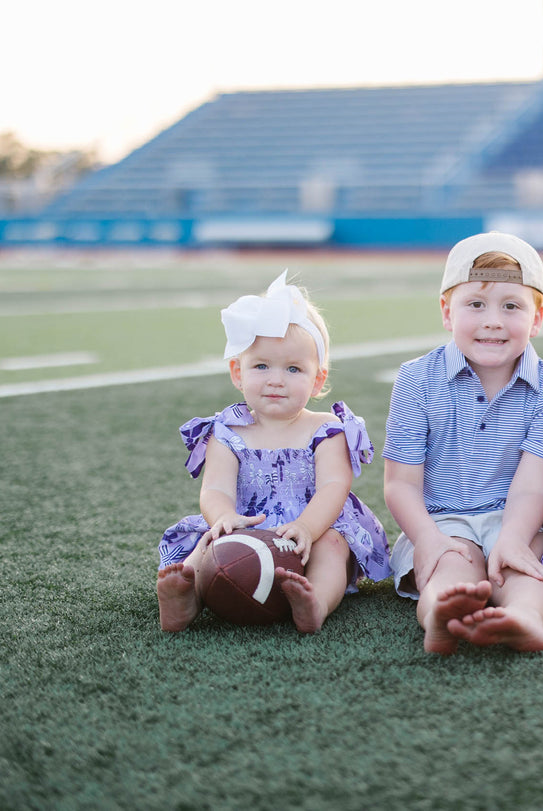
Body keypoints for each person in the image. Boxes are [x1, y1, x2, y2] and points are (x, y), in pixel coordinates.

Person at [156, 271, 391, 633]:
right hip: (247, 524)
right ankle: (187, 599)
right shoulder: (227, 430)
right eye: (261, 366)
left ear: (317, 380)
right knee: (209, 544)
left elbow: (334, 486)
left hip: (313, 525)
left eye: (293, 368)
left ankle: (315, 601)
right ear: (238, 372)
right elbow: (215, 488)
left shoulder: (326, 428)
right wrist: (224, 517)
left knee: (333, 546)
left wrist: (307, 528)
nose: (276, 379)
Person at [382, 233, 543, 653]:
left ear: (537, 317)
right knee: (450, 569)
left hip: (518, 518)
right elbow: (401, 483)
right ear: (447, 311)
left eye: (512, 306)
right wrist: (427, 539)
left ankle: (522, 620)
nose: (493, 320)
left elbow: (530, 484)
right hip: (442, 519)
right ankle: (439, 617)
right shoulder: (417, 379)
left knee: (529, 575)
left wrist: (512, 538)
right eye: (475, 304)